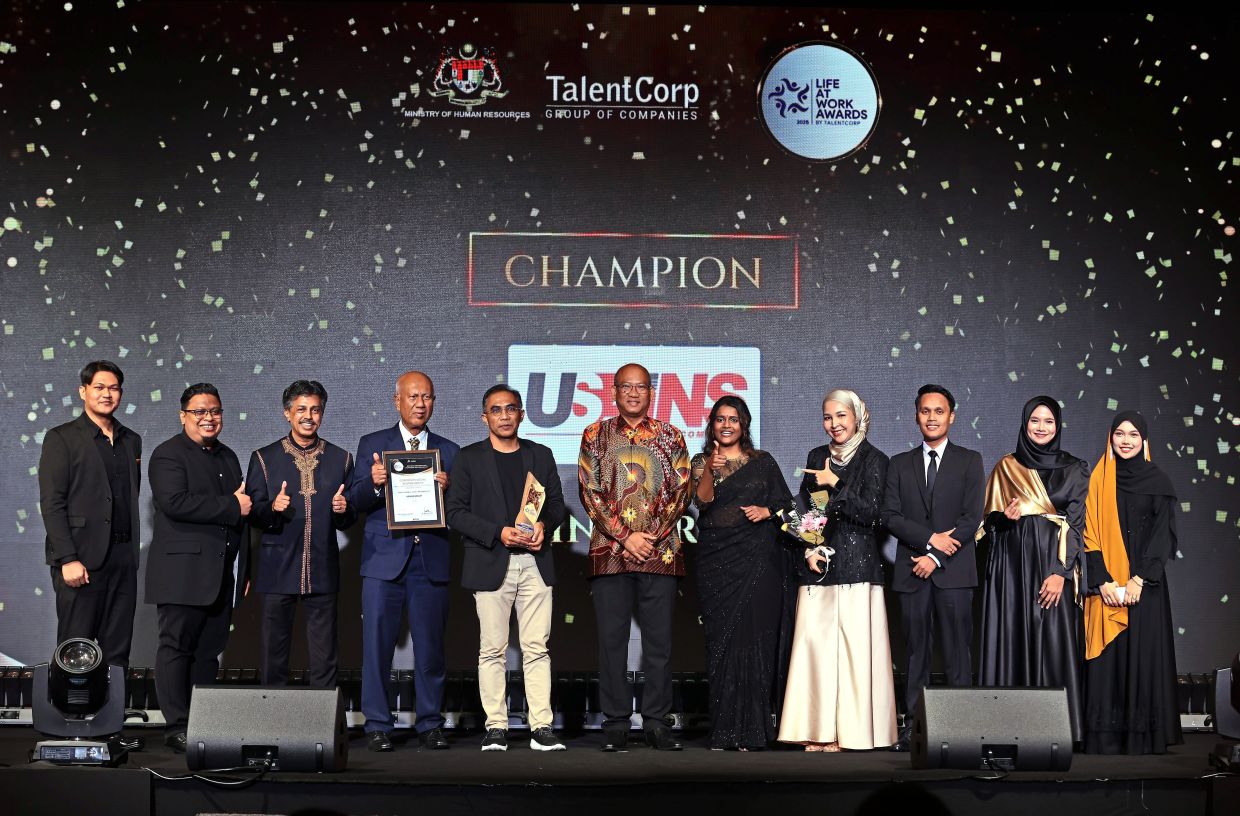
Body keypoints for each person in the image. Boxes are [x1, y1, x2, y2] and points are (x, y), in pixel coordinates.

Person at [445, 385, 568, 752]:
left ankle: (541, 726)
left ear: (521, 414)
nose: (504, 415)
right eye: (496, 410)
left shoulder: (540, 455)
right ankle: (496, 726)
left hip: (535, 562)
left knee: (537, 648)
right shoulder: (468, 458)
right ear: (485, 417)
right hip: (490, 561)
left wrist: (544, 525)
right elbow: (455, 513)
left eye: (510, 408)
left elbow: (557, 505)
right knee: (492, 650)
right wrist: (498, 532)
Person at [579, 363, 691, 752]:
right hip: (610, 553)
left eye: (640, 387)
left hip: (660, 552)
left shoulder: (671, 435)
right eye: (625, 386)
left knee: (658, 644)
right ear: (614, 392)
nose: (633, 393)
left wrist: (651, 536)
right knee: (612, 642)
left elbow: (681, 490)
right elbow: (589, 490)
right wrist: (626, 537)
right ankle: (615, 723)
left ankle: (657, 723)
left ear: (651, 392)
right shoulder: (595, 434)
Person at [778, 388, 897, 752]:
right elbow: (811, 509)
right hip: (821, 568)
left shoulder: (875, 459)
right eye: (827, 417)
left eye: (841, 416)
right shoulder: (817, 456)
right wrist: (808, 548)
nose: (834, 424)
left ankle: (852, 735)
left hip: (858, 569)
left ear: (857, 416)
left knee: (853, 656)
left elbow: (873, 514)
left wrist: (837, 484)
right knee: (816, 653)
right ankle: (818, 731)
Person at [348, 371, 458, 752]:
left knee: (431, 650)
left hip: (430, 561)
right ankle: (378, 724)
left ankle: (430, 723)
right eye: (412, 397)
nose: (420, 404)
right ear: (397, 401)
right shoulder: (373, 444)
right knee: (376, 649)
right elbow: (355, 501)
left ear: (434, 402)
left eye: (426, 397)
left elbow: (460, 509)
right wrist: (374, 483)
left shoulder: (450, 450)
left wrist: (447, 490)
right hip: (384, 561)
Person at [977, 395, 1089, 741]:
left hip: (1052, 567)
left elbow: (1077, 525)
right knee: (1011, 638)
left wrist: (1060, 572)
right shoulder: (1006, 466)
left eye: (1049, 421)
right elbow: (987, 526)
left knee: (1052, 642)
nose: (1041, 427)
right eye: (1035, 421)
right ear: (1025, 424)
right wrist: (1003, 518)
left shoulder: (1075, 468)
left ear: (1058, 426)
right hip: (1011, 570)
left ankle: (1055, 731)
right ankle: (1007, 728)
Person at [146, 383, 250, 753]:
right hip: (182, 575)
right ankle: (176, 725)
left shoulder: (228, 456)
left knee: (208, 653)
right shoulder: (167, 454)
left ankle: (200, 722)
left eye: (215, 411)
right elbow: (175, 502)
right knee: (176, 648)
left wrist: (244, 568)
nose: (209, 418)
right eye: (200, 412)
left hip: (219, 575)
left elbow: (243, 513)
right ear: (183, 416)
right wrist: (231, 506)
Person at [882, 384, 985, 751]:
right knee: (915, 654)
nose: (931, 417)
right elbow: (890, 516)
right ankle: (915, 728)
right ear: (916, 416)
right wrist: (929, 541)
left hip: (954, 574)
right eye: (925, 411)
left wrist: (937, 557)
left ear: (951, 417)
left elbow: (971, 519)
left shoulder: (970, 460)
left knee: (958, 653)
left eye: (939, 411)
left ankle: (961, 731)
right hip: (912, 572)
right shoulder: (899, 463)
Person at [689, 395, 794, 750]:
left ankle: (755, 731)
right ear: (712, 425)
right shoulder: (701, 461)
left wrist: (767, 512)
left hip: (759, 559)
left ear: (743, 424)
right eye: (720, 419)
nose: (727, 425)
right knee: (722, 644)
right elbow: (702, 502)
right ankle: (725, 732)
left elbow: (787, 505)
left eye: (733, 419)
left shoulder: (763, 462)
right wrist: (710, 469)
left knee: (756, 641)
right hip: (716, 562)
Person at [1082, 411, 1182, 754]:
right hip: (1106, 589)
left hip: (1146, 588)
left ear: (1144, 440)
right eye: (1119, 434)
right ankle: (1105, 738)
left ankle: (1142, 738)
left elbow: (1162, 536)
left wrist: (1140, 579)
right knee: (1108, 662)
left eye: (1133, 435)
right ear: (1110, 438)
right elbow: (1088, 534)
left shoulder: (1159, 481)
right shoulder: (1097, 480)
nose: (1125, 441)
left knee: (1143, 659)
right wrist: (1103, 581)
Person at [246, 380, 356, 689]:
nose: (309, 416)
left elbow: (349, 520)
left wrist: (343, 509)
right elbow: (252, 513)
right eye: (301, 409)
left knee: (325, 657)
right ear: (287, 413)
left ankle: (323, 719)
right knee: (273, 655)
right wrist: (272, 508)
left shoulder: (341, 458)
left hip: (322, 568)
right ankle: (273, 715)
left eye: (315, 410)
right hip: (276, 568)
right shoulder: (264, 458)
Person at [39, 360, 142, 671]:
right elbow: (52, 503)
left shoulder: (131, 439)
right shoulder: (61, 438)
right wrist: (68, 558)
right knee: (75, 649)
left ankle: (112, 704)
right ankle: (70, 704)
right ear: (83, 391)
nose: (107, 394)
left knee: (118, 650)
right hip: (81, 559)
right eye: (99, 387)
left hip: (123, 559)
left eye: (113, 388)